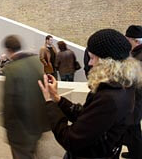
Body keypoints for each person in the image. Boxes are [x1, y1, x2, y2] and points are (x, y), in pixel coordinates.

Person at [38, 29, 140, 158]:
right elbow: (89, 118)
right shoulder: (124, 85)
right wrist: (57, 99)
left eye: (92, 58)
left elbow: (70, 140)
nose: (89, 63)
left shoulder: (109, 97)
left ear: (107, 61)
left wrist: (49, 102)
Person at [1, 35, 50, 159]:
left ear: (8, 50)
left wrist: (8, 128)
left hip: (20, 132)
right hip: (38, 125)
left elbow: (9, 103)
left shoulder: (11, 69)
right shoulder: (36, 62)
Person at [122, 25, 142, 159]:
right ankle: (135, 152)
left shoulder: (139, 57)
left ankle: (137, 155)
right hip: (135, 99)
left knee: (133, 129)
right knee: (133, 129)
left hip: (136, 100)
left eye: (127, 39)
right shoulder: (136, 54)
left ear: (135, 41)